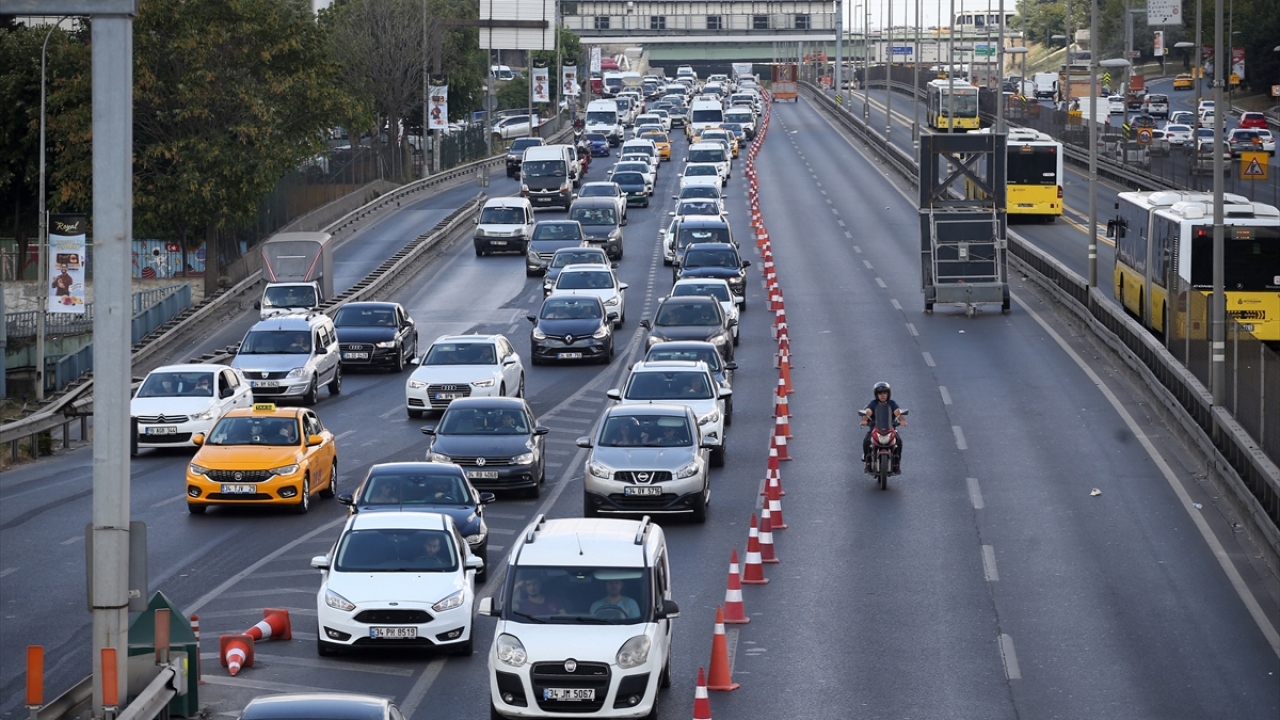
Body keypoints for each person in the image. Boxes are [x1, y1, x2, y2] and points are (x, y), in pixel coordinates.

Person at [860, 381, 906, 471]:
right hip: (875, 429)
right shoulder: (873, 403)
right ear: (876, 395)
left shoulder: (892, 403)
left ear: (888, 394)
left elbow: (897, 411)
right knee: (866, 440)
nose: (882, 395)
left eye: (884, 393)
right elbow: (868, 411)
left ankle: (896, 463)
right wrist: (865, 420)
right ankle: (868, 462)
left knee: (899, 441)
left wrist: (902, 420)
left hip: (890, 429)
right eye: (880, 393)